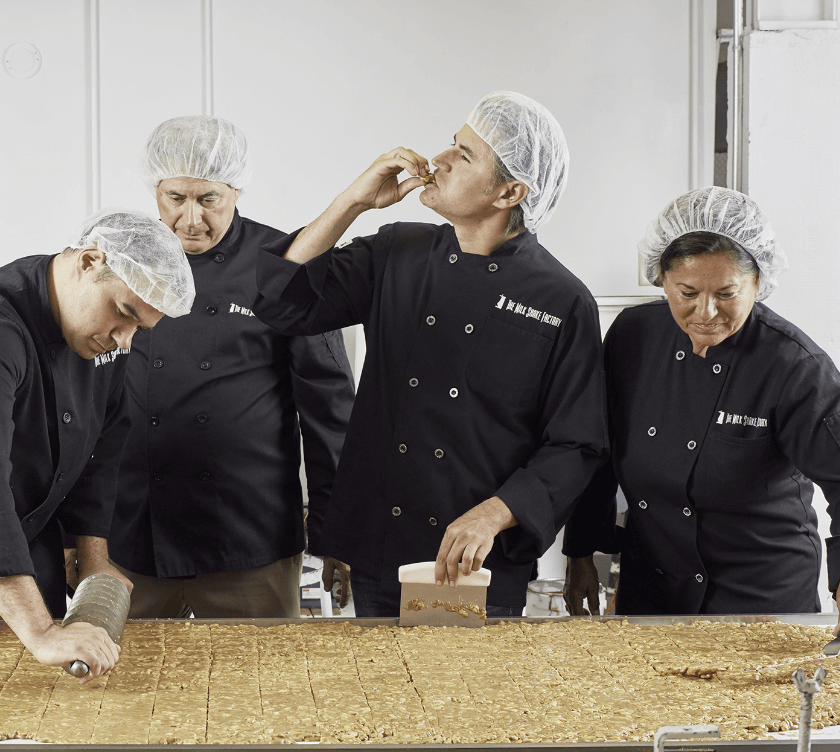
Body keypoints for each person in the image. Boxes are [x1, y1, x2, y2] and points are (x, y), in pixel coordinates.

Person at [253, 91, 607, 617]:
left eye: (464, 155)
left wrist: (497, 513)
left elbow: (576, 444)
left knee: (460, 699)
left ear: (509, 191)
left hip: (472, 560)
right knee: (380, 697)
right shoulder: (399, 251)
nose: (437, 161)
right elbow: (282, 303)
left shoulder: (560, 298)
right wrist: (352, 201)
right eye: (451, 144)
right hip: (379, 545)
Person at [0, 208, 194, 680]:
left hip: (24, 558)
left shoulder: (101, 338)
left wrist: (93, 558)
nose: (125, 341)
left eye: (139, 329)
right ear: (90, 261)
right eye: (124, 313)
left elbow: (101, 452)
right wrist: (42, 633)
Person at [99, 116, 355, 618]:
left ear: (236, 189)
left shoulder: (285, 264)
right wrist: (74, 533)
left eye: (208, 200)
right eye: (175, 198)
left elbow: (329, 410)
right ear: (156, 188)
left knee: (262, 689)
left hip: (248, 536)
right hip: (132, 536)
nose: (191, 219)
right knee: (128, 688)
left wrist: (336, 532)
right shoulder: (119, 260)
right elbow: (81, 404)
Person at [564, 188, 840, 628]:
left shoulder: (795, 366)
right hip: (653, 591)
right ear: (661, 279)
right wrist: (580, 551)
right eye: (687, 291)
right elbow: (600, 450)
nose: (706, 312)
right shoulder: (632, 336)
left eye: (727, 293)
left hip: (761, 599)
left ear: (758, 282)